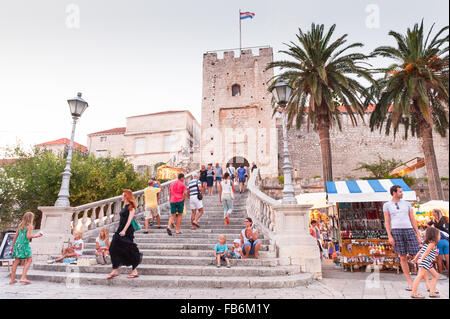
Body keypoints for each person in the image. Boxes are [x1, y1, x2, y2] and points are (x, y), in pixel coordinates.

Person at [383, 185, 421, 291]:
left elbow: (412, 219)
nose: (402, 193)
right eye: (400, 192)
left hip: (409, 229)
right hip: (396, 231)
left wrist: (417, 234)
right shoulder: (386, 205)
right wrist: (389, 236)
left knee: (419, 255)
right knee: (402, 257)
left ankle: (427, 282)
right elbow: (387, 222)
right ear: (394, 193)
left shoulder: (407, 204)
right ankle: (410, 283)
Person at [107, 189, 142, 279]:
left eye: (123, 195)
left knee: (129, 249)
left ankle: (134, 271)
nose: (121, 196)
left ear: (126, 196)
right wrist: (120, 229)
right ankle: (115, 269)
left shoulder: (131, 207)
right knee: (113, 248)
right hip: (120, 229)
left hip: (127, 231)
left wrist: (124, 230)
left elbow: (129, 220)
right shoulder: (124, 206)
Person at [9, 212, 43, 284]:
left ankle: (12, 279)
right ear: (31, 218)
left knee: (16, 261)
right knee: (29, 259)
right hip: (24, 245)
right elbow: (28, 237)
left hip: (17, 244)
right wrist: (37, 236)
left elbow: (15, 236)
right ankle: (23, 277)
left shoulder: (20, 225)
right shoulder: (29, 226)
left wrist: (12, 246)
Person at [410, 227, 441, 298]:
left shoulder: (428, 243)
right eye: (439, 235)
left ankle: (432, 293)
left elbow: (420, 251)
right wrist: (421, 260)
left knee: (436, 275)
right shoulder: (432, 243)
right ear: (434, 236)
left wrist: (415, 258)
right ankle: (414, 293)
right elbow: (426, 251)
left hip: (427, 262)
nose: (440, 236)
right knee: (419, 276)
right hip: (425, 261)